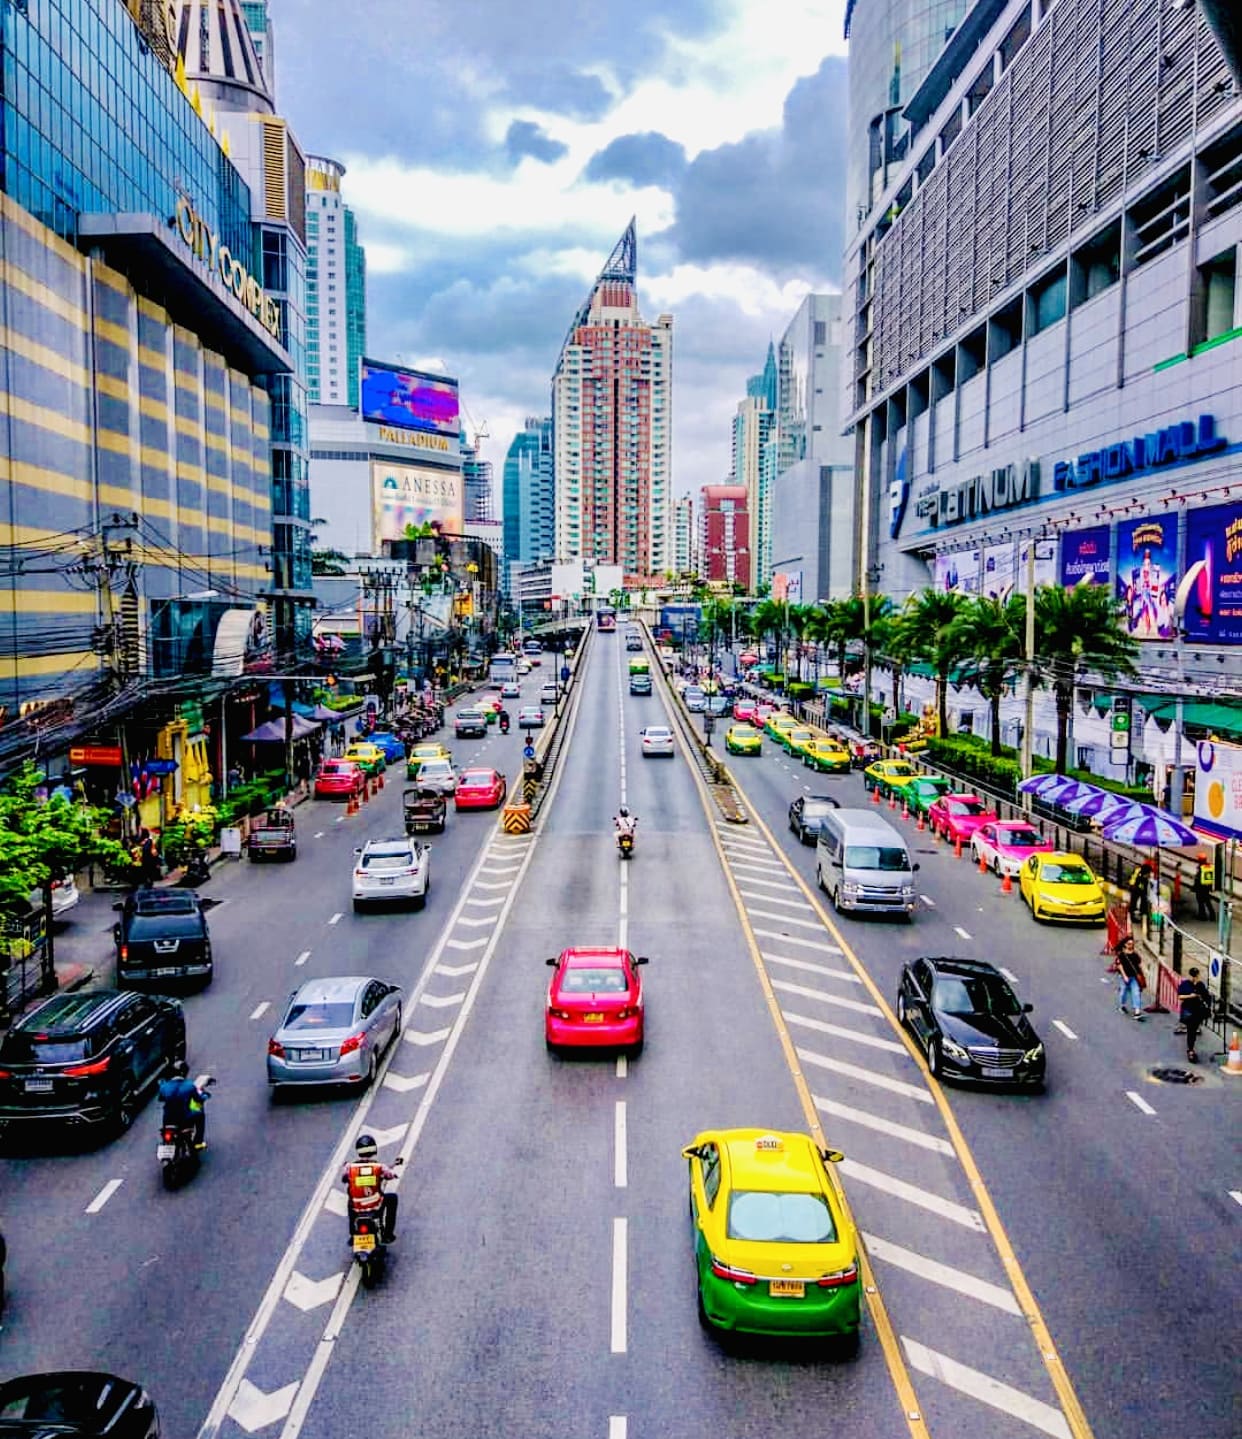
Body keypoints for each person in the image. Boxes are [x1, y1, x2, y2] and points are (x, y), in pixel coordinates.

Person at [342, 1134, 398, 1243]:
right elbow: (389, 1175)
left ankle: (353, 1233)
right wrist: (393, 1174)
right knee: (393, 1198)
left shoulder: (349, 1167)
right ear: (374, 1150)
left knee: (350, 1201)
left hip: (357, 1208)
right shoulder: (379, 1167)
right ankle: (388, 1234)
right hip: (375, 1206)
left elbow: (344, 1179)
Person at [158, 1061, 208, 1149]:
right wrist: (204, 1096)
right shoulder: (190, 1086)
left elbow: (161, 1099)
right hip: (185, 1118)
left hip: (168, 1120)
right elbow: (198, 1099)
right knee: (200, 1115)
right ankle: (198, 1141)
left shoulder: (164, 1086)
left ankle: (166, 1143)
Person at [1175, 967, 1211, 1063]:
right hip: (1189, 1011)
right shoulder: (1185, 984)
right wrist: (1191, 996)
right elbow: (1180, 997)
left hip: (1198, 1012)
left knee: (1193, 1030)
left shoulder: (1200, 985)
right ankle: (1190, 1050)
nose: (1196, 977)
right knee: (1191, 1031)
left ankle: (1191, 1047)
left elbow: (1206, 996)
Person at [1112, 936, 1146, 1020]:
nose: (1131, 945)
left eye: (1132, 943)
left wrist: (1141, 974)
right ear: (1125, 945)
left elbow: (1139, 965)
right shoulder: (1121, 954)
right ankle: (1122, 1005)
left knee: (1136, 992)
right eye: (1129, 944)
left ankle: (1137, 1012)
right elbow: (1120, 966)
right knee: (1123, 991)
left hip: (1134, 977)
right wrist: (1124, 976)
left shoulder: (1135, 954)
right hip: (1125, 977)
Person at [1192, 854, 1215, 921]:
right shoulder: (1209, 866)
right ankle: (1212, 915)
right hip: (1207, 887)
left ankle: (1202, 916)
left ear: (1200, 860)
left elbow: (1197, 878)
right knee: (1207, 901)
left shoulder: (1200, 868)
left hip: (1200, 887)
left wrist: (1194, 887)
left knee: (1200, 902)